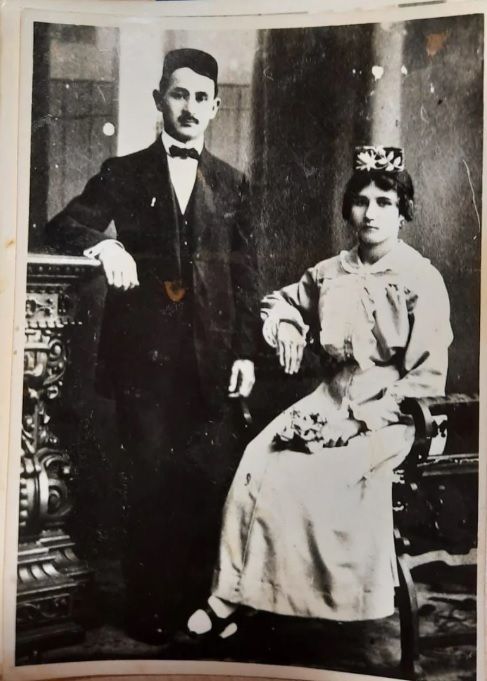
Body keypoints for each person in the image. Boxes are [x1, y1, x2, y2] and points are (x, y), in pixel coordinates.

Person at [186, 146, 453, 639]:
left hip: (394, 413)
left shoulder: (421, 279)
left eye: (385, 202)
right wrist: (288, 326)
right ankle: (233, 595)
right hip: (329, 398)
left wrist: (360, 421)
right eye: (361, 201)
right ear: (348, 208)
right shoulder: (331, 271)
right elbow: (281, 302)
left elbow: (426, 379)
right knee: (258, 458)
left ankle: (305, 601)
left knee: (312, 471)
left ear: (403, 211)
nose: (371, 213)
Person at [45, 48, 260, 641]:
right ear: (158, 99)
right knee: (147, 479)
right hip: (144, 359)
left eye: (200, 97)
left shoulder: (233, 183)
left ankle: (199, 606)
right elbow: (61, 225)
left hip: (212, 358)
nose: (189, 107)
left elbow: (247, 275)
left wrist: (245, 353)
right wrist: (105, 245)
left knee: (203, 480)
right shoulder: (123, 171)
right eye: (178, 94)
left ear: (215, 107)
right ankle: (150, 613)